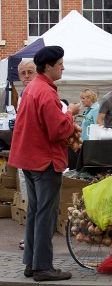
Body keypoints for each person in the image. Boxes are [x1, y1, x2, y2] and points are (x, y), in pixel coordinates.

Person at [8, 46, 80, 281]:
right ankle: (42, 268)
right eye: (60, 64)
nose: (63, 67)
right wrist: (70, 113)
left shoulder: (31, 88)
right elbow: (58, 131)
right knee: (45, 215)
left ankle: (31, 263)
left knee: (36, 212)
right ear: (48, 66)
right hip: (44, 161)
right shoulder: (46, 92)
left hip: (29, 159)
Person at [16, 60, 37, 251]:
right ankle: (30, 240)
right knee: (30, 201)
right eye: (23, 73)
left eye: (30, 72)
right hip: (26, 155)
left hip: (37, 157)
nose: (27, 76)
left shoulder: (40, 92)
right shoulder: (22, 95)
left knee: (36, 202)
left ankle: (33, 242)